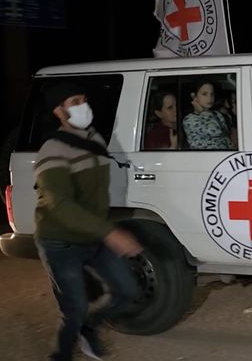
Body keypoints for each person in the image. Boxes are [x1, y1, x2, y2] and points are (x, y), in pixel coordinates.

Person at [34, 81, 143, 361]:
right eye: (73, 102)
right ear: (59, 111)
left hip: (93, 235)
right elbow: (59, 205)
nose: (83, 105)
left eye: (83, 99)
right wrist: (110, 233)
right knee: (74, 310)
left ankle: (90, 328)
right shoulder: (53, 149)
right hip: (61, 242)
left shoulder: (94, 138)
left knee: (128, 290)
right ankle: (60, 354)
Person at [182, 80, 233, 150]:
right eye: (204, 94)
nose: (209, 98)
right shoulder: (189, 119)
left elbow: (225, 136)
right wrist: (203, 112)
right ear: (194, 96)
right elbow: (214, 130)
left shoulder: (217, 114)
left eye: (212, 94)